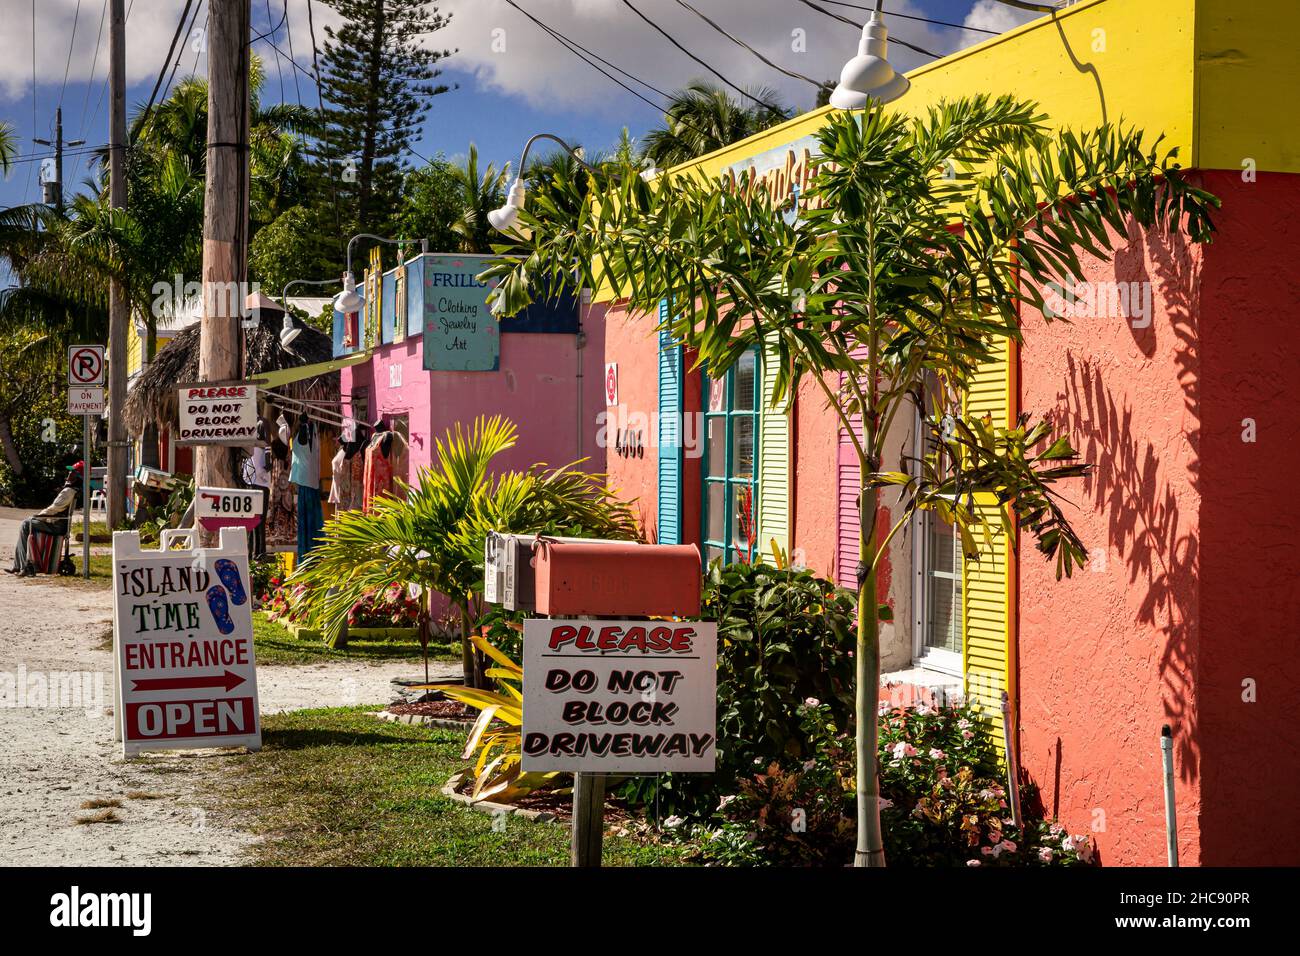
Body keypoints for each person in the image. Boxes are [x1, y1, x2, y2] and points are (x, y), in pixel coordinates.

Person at [8, 461, 83, 577]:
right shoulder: (70, 490)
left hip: (56, 525)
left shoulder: (68, 491)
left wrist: (39, 516)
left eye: (72, 472)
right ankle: (19, 565)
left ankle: (22, 566)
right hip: (57, 523)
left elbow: (54, 509)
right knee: (26, 523)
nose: (68, 474)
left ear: (77, 476)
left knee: (26, 524)